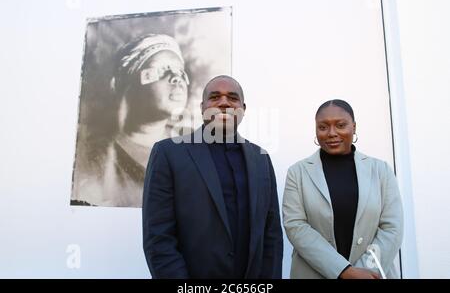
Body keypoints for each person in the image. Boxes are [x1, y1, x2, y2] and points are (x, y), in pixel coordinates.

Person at [142, 75, 283, 278]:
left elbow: (271, 236)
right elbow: (158, 237)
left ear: (243, 108)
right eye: (215, 97)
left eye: (232, 98)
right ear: (202, 107)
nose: (224, 103)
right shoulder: (168, 153)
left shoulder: (260, 158)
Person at [282, 99, 403, 279]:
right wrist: (344, 272)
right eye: (323, 127)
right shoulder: (297, 173)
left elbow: (391, 228)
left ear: (354, 127)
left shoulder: (381, 170)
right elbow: (296, 226)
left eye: (340, 125)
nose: (332, 133)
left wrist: (365, 271)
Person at [72, 33, 191, 207]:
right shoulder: (92, 163)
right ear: (126, 85)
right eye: (162, 70)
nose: (176, 78)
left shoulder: (190, 149)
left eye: (180, 71)